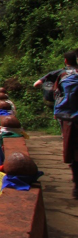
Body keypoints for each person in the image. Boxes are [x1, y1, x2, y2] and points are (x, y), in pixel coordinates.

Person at [35, 50, 78, 198]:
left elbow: (37, 84)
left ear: (66, 61)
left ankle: (76, 185)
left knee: (71, 148)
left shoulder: (61, 74)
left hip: (68, 118)